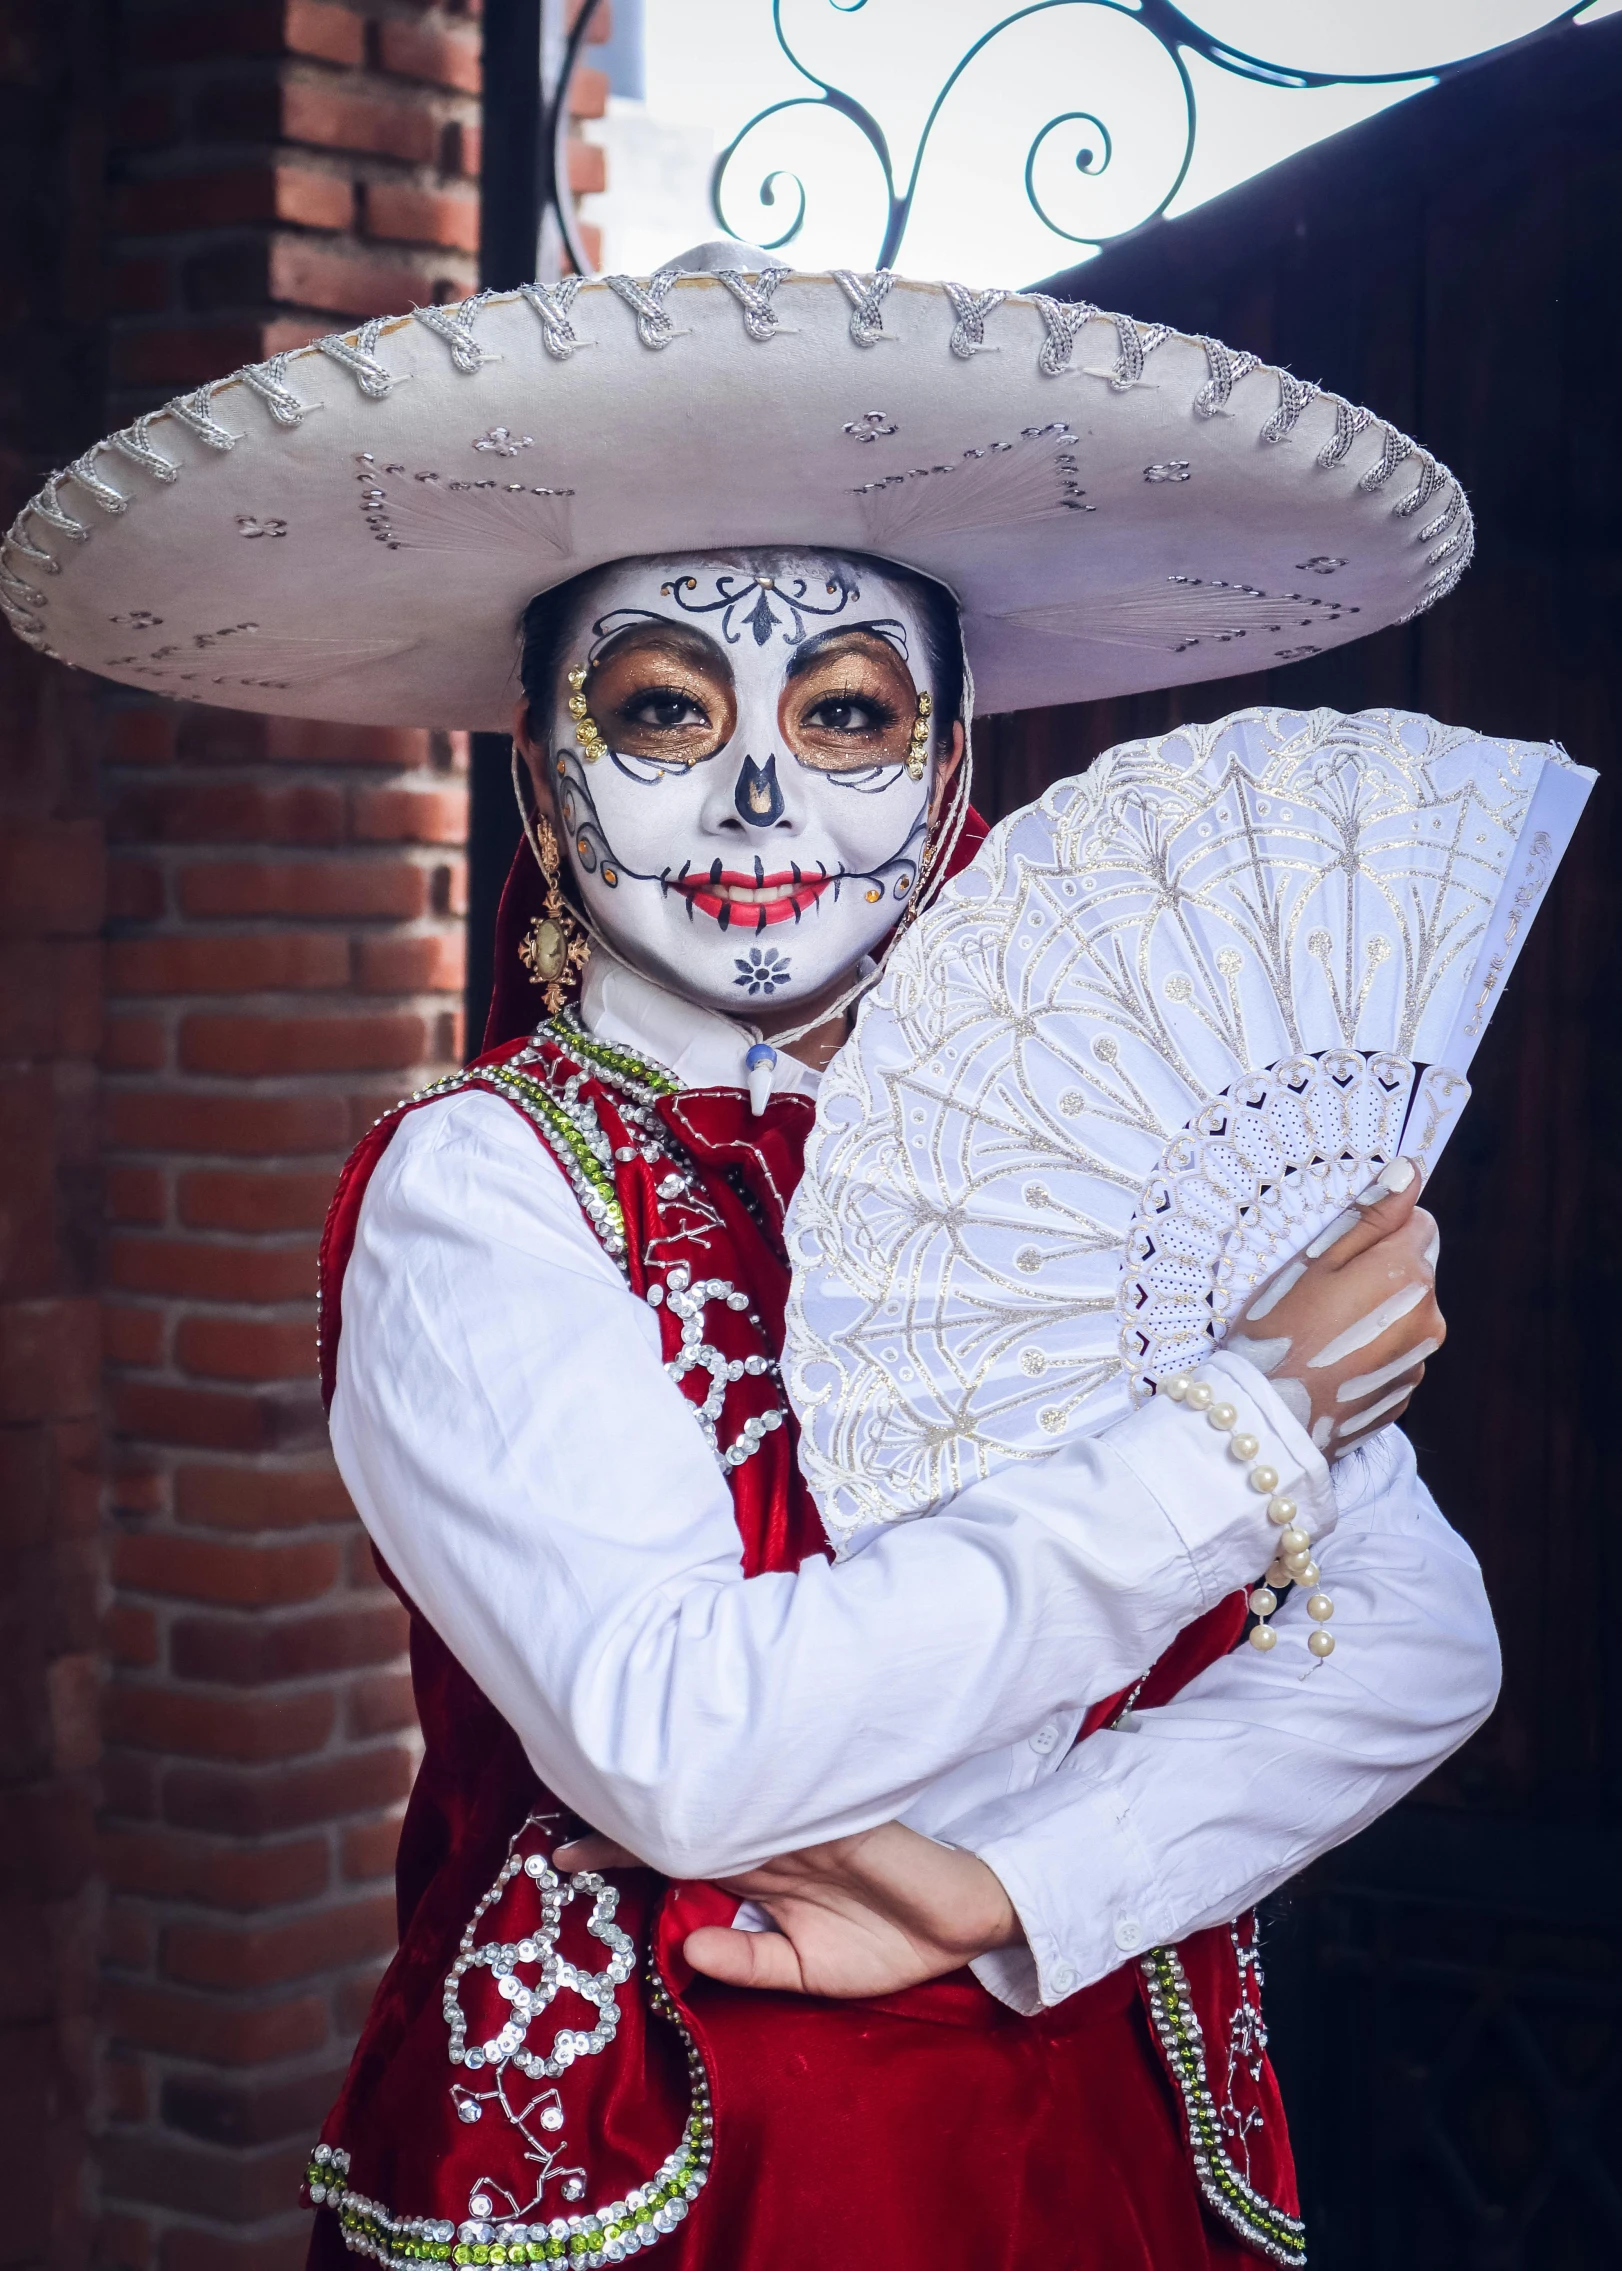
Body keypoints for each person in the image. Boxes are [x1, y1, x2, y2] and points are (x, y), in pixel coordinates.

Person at [1, 245, 1498, 2268]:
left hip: (1111, 2152)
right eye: (661, 710)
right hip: (697, 2173)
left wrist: (1018, 1887)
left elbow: (1409, 1640)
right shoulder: (488, 1186)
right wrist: (1250, 1422)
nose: (761, 792)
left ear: (955, 761)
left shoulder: (1135, 1141)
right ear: (539, 766)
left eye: (850, 709)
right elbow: (682, 1744)